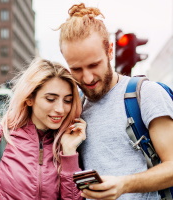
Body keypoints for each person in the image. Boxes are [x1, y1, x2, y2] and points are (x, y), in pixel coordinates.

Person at [57, 3, 173, 200]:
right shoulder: (74, 108)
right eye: (76, 69)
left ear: (110, 51)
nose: (87, 78)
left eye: (94, 65)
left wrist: (124, 185)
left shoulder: (146, 94)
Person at [0, 57, 86, 200]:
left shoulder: (69, 143)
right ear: (29, 98)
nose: (60, 109)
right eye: (50, 99)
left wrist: (69, 153)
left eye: (67, 100)